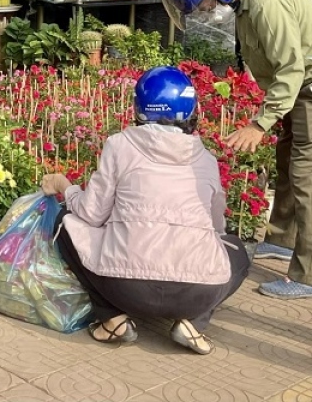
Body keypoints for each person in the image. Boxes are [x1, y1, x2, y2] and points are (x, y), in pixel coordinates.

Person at [161, 0, 312, 300]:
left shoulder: (264, 3)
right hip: (299, 89)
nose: (198, 11)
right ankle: (281, 240)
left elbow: (291, 68)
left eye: (197, 3)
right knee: (287, 161)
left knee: (310, 177)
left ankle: (310, 276)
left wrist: (259, 124)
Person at [42, 66, 250, 355]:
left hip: (125, 287)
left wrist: (68, 187)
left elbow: (91, 214)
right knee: (237, 251)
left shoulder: (120, 146)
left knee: (65, 222)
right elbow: (217, 226)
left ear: (139, 108)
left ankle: (111, 319)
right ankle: (194, 322)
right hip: (198, 292)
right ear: (192, 109)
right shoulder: (205, 159)